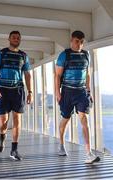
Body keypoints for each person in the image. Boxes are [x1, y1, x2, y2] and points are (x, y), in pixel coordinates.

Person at [55, 30, 100, 164]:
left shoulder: (86, 55)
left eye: (81, 42)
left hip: (81, 92)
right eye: (76, 41)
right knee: (65, 119)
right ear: (71, 41)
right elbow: (57, 76)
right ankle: (61, 144)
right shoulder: (64, 55)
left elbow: (87, 74)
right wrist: (57, 93)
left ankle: (88, 153)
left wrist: (89, 91)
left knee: (84, 119)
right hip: (67, 92)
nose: (79, 44)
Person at [0, 30, 32, 161]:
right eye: (13, 37)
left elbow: (27, 75)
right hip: (2, 90)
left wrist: (30, 92)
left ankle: (14, 150)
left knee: (17, 120)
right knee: (3, 123)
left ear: (20, 40)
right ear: (9, 39)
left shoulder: (23, 56)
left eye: (18, 38)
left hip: (18, 91)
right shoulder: (1, 53)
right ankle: (2, 136)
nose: (16, 39)